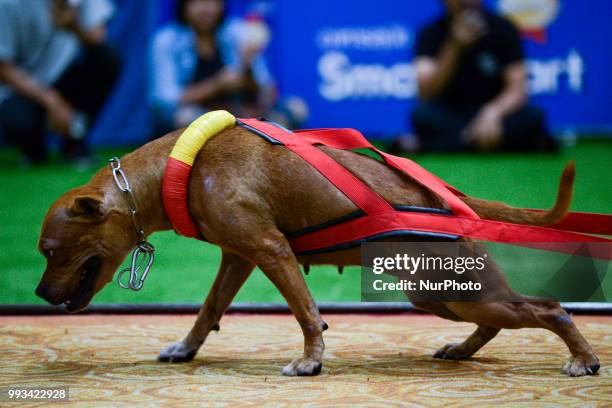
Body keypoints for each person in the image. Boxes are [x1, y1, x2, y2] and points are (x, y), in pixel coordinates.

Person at [398, 0, 556, 152]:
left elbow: (518, 90)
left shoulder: (504, 28)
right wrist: (454, 46)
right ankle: (504, 143)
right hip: (451, 115)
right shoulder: (430, 32)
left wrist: (492, 113)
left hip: (495, 115)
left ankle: (440, 145)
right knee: (421, 116)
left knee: (534, 116)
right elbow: (426, 92)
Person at [150, 0, 306, 136]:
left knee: (296, 108)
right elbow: (165, 101)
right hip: (202, 118)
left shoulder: (238, 32)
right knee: (185, 117)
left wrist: (248, 68)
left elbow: (266, 94)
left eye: (213, 1)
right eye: (198, 2)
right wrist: (216, 85)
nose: (206, 9)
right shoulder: (166, 40)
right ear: (183, 6)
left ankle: (262, 147)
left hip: (241, 114)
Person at [0, 0, 120, 165]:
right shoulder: (8, 4)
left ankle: (74, 143)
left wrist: (73, 25)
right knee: (17, 119)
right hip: (23, 88)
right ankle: (33, 148)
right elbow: (3, 67)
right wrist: (53, 102)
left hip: (65, 78)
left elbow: (98, 39)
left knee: (107, 59)